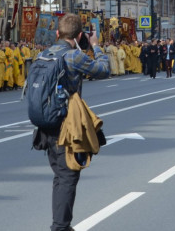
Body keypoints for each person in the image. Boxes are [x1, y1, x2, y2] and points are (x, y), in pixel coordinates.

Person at [31, 13, 110, 231]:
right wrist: (96, 46)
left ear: (57, 33)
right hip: (66, 125)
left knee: (61, 176)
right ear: (79, 35)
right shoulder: (73, 56)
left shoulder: (44, 54)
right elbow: (104, 70)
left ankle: (62, 225)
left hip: (45, 124)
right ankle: (60, 227)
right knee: (68, 177)